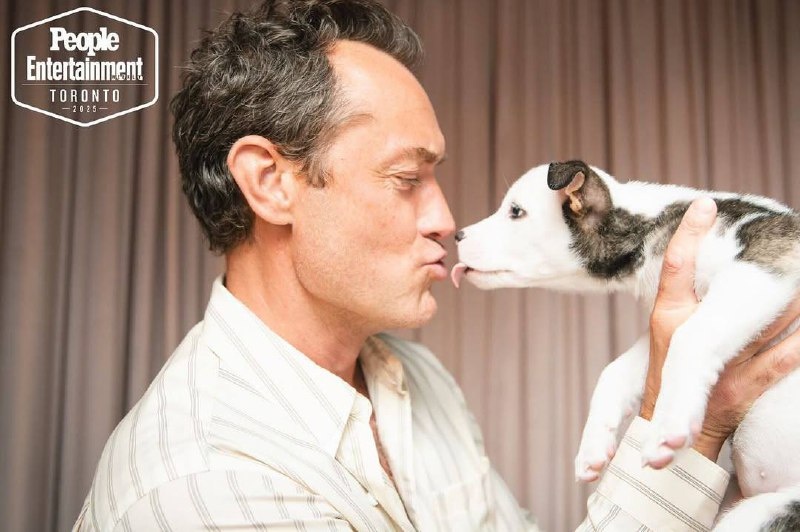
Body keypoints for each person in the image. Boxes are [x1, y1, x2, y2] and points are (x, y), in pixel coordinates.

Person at [72, 1, 800, 530]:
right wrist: (701, 418)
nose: (446, 219)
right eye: (406, 178)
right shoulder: (210, 485)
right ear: (270, 183)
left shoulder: (416, 380)